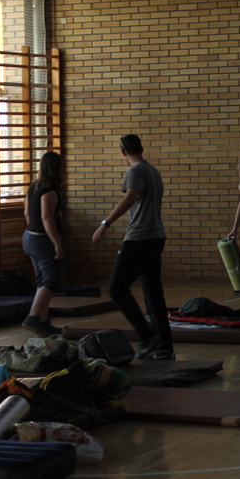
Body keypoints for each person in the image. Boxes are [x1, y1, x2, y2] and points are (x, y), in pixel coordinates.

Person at [92, 134, 173, 360]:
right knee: (153, 294)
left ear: (123, 152)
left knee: (117, 288)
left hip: (140, 238)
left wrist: (105, 224)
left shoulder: (135, 171)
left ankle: (147, 337)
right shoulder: (153, 171)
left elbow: (130, 197)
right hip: (156, 236)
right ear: (141, 148)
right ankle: (165, 347)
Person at [21, 151, 66, 336]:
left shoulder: (34, 186)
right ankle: (33, 317)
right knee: (51, 280)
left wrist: (32, 231)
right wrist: (57, 243)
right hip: (42, 240)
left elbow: (27, 213)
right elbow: (46, 217)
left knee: (43, 280)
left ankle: (43, 320)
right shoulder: (49, 189)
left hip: (30, 237)